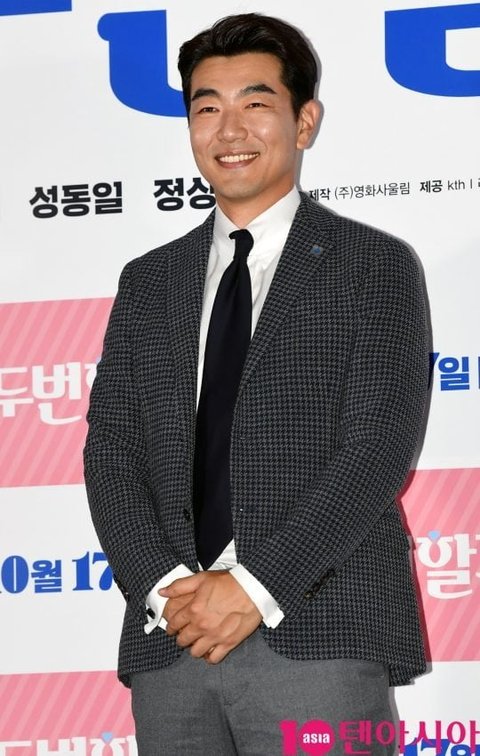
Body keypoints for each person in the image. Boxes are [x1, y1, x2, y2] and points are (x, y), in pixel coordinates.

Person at [84, 12, 429, 755]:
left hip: (321, 631)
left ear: (304, 122)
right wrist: (166, 590)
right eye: (207, 107)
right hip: (173, 640)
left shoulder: (374, 265)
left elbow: (377, 448)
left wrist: (252, 587)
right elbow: (110, 451)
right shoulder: (148, 282)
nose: (229, 128)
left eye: (255, 102)